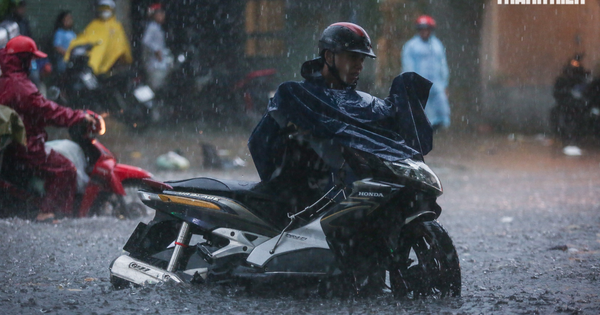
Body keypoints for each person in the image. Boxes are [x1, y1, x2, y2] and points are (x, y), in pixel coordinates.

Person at [248, 22, 433, 227]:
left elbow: (391, 125)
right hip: (303, 203)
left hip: (353, 201)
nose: (359, 65)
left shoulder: (364, 103)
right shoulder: (296, 96)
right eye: (353, 57)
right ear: (329, 57)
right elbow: (260, 144)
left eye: (362, 59)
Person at [0, 36, 95, 223]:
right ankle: (48, 212)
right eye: (32, 60)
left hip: (13, 144)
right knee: (66, 169)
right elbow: (49, 112)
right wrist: (79, 116)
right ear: (23, 60)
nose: (34, 64)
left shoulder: (6, 80)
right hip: (28, 144)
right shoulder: (21, 86)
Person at [401, 15, 450, 130]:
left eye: (427, 29)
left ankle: (439, 128)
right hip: (420, 85)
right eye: (422, 29)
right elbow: (408, 66)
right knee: (422, 110)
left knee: (442, 108)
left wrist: (445, 84)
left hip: (437, 84)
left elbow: (442, 65)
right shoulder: (411, 46)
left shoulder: (437, 45)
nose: (424, 32)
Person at [65, 0, 132, 75]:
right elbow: (85, 37)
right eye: (102, 8)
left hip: (111, 59)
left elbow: (120, 44)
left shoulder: (116, 26)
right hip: (90, 54)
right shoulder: (94, 24)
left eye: (107, 8)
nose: (104, 11)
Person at [141, 3, 172, 90]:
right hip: (154, 63)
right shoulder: (152, 27)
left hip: (160, 61)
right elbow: (146, 41)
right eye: (160, 14)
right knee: (156, 85)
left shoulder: (158, 27)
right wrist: (156, 50)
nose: (163, 16)